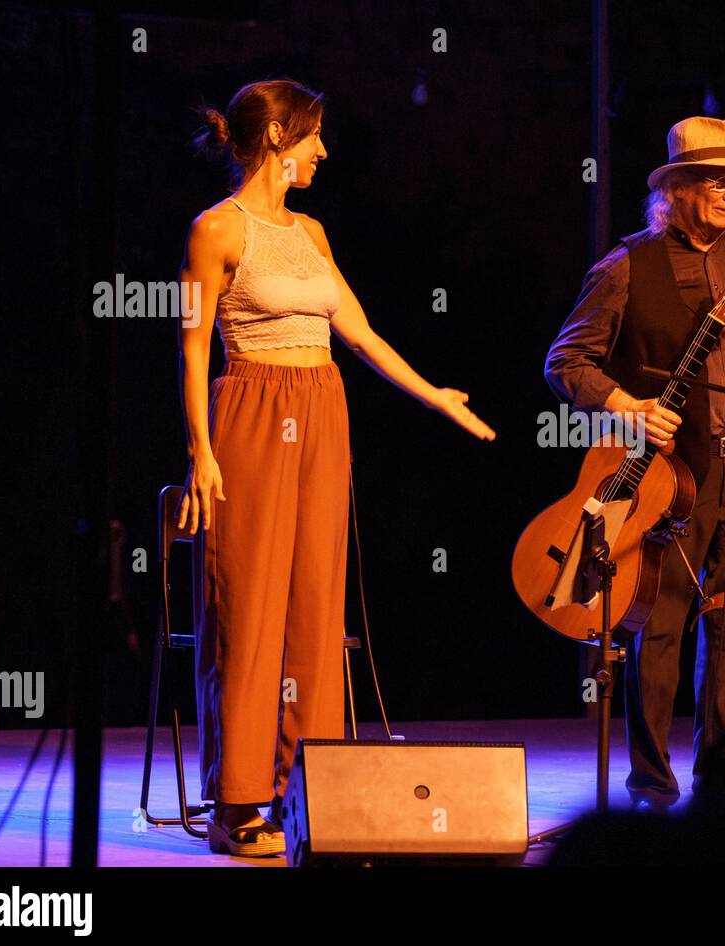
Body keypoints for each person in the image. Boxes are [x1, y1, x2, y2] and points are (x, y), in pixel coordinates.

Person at [177, 78, 494, 856]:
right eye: (314, 135)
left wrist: (433, 396)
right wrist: (202, 452)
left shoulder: (314, 234)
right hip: (251, 408)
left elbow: (359, 332)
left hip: (321, 408)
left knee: (316, 607)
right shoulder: (217, 231)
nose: (325, 149)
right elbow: (190, 345)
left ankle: (305, 786)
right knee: (248, 610)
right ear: (279, 138)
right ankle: (237, 802)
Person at [545, 116, 725, 811]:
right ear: (679, 187)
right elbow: (565, 361)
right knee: (658, 626)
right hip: (669, 475)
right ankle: (652, 788)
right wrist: (627, 405)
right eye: (720, 181)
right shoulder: (627, 265)